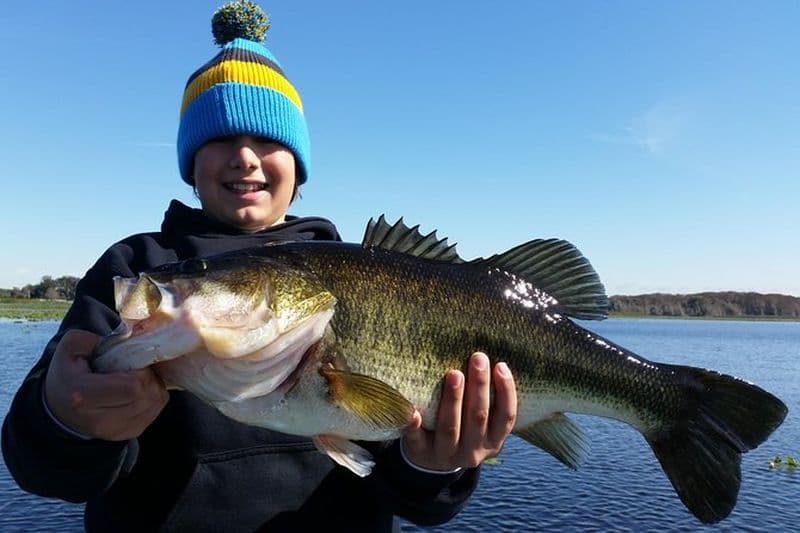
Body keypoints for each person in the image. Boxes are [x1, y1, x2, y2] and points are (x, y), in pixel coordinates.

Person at [1, 2, 517, 531]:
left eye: (269, 140)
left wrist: (433, 464)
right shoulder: (139, 267)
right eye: (220, 138)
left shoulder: (353, 270)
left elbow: (418, 501)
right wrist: (69, 421)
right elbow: (43, 472)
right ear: (189, 163)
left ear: (299, 165)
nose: (245, 156)